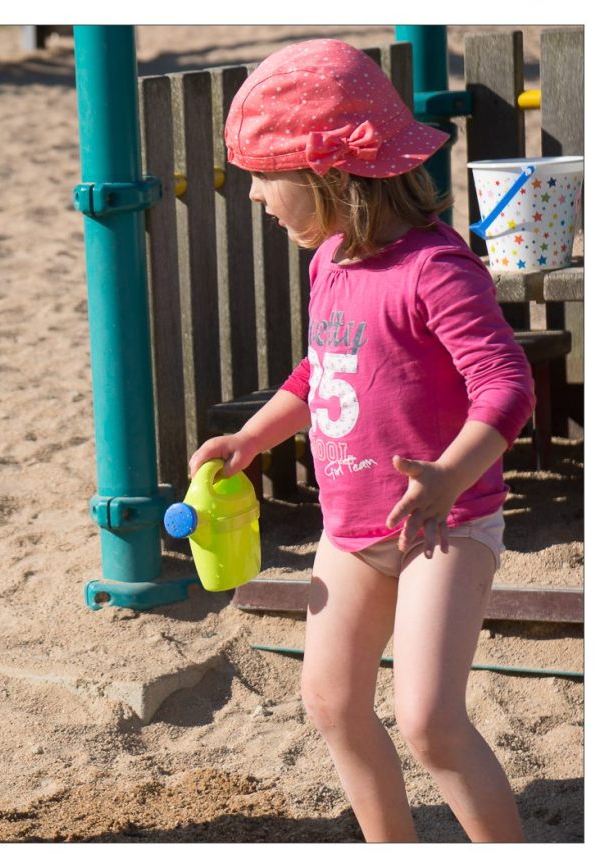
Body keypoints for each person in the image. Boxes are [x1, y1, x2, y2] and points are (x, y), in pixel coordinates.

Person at [190, 39, 534, 842]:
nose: (253, 195)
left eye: (263, 175)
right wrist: (252, 436)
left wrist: (448, 476)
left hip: (443, 526)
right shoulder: (331, 261)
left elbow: (506, 384)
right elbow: (324, 368)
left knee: (429, 720)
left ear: (327, 173)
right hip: (350, 530)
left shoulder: (436, 268)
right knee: (332, 702)